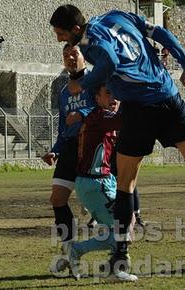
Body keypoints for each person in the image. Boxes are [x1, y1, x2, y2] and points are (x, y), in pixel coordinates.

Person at [49, 5, 185, 280]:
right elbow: (160, 32)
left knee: (126, 182)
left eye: (61, 34)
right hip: (169, 95)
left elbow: (110, 62)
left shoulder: (89, 43)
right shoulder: (117, 16)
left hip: (139, 107)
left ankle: (120, 261)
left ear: (76, 30)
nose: (59, 39)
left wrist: (86, 82)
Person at [64, 82, 137, 281]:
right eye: (108, 93)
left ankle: (81, 253)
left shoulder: (102, 117)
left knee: (126, 223)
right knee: (123, 230)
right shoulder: (103, 116)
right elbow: (127, 121)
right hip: (95, 183)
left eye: (116, 93)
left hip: (100, 181)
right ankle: (88, 256)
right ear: (97, 98)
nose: (113, 98)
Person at [42, 44, 96, 273]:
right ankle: (70, 250)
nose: (70, 58)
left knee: (102, 207)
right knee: (57, 199)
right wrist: (55, 149)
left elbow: (110, 107)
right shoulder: (64, 92)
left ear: (84, 56)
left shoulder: (96, 81)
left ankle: (120, 253)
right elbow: (64, 127)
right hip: (70, 150)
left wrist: (83, 113)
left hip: (93, 148)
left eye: (74, 53)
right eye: (66, 56)